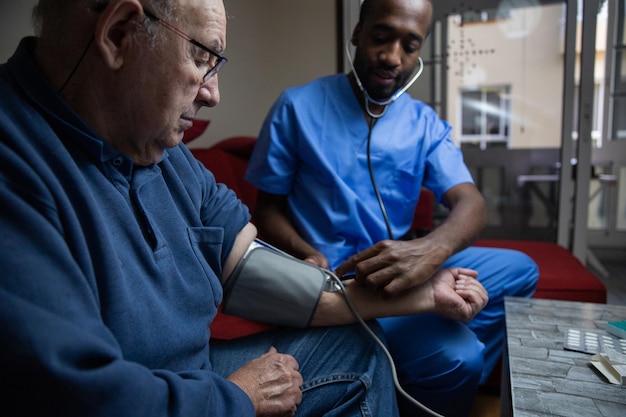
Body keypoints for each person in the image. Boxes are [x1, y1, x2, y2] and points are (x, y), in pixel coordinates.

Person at [0, 0, 489, 416]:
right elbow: (76, 395)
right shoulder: (17, 161)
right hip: (144, 392)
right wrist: (234, 398)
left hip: (191, 373)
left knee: (360, 352)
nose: (213, 93)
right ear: (119, 34)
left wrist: (425, 295)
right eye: (203, 57)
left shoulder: (162, 150)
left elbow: (256, 273)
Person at [245, 0, 540, 415]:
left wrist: (429, 251)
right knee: (461, 356)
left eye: (409, 45)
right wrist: (304, 252)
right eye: (381, 38)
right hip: (334, 277)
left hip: (399, 269)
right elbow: (268, 209)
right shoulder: (297, 106)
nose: (391, 57)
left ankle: (413, 381)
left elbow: (471, 202)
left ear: (420, 51)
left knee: (521, 270)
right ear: (357, 34)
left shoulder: (423, 122)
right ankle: (426, 368)